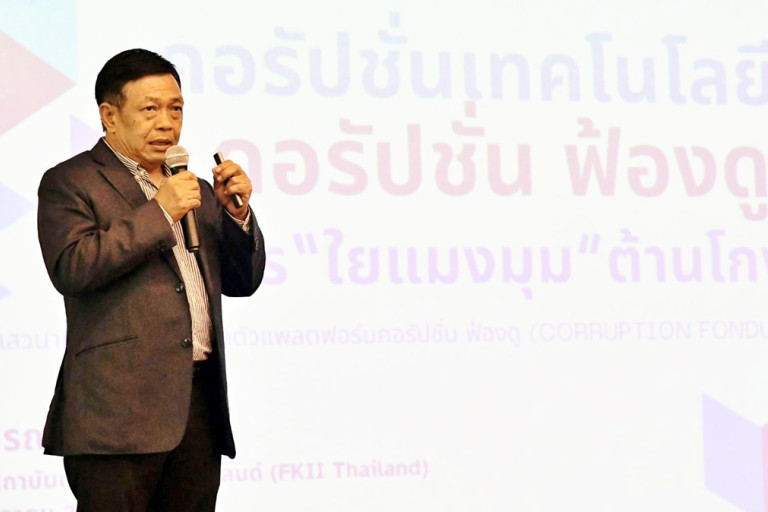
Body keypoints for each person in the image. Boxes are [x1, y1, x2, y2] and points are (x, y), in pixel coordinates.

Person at [36, 48, 266, 511]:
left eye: (175, 108)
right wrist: (160, 212)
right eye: (150, 109)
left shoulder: (196, 189)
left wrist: (237, 216)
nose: (167, 123)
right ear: (110, 116)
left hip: (196, 409)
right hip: (116, 417)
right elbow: (73, 267)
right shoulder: (71, 182)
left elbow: (242, 281)